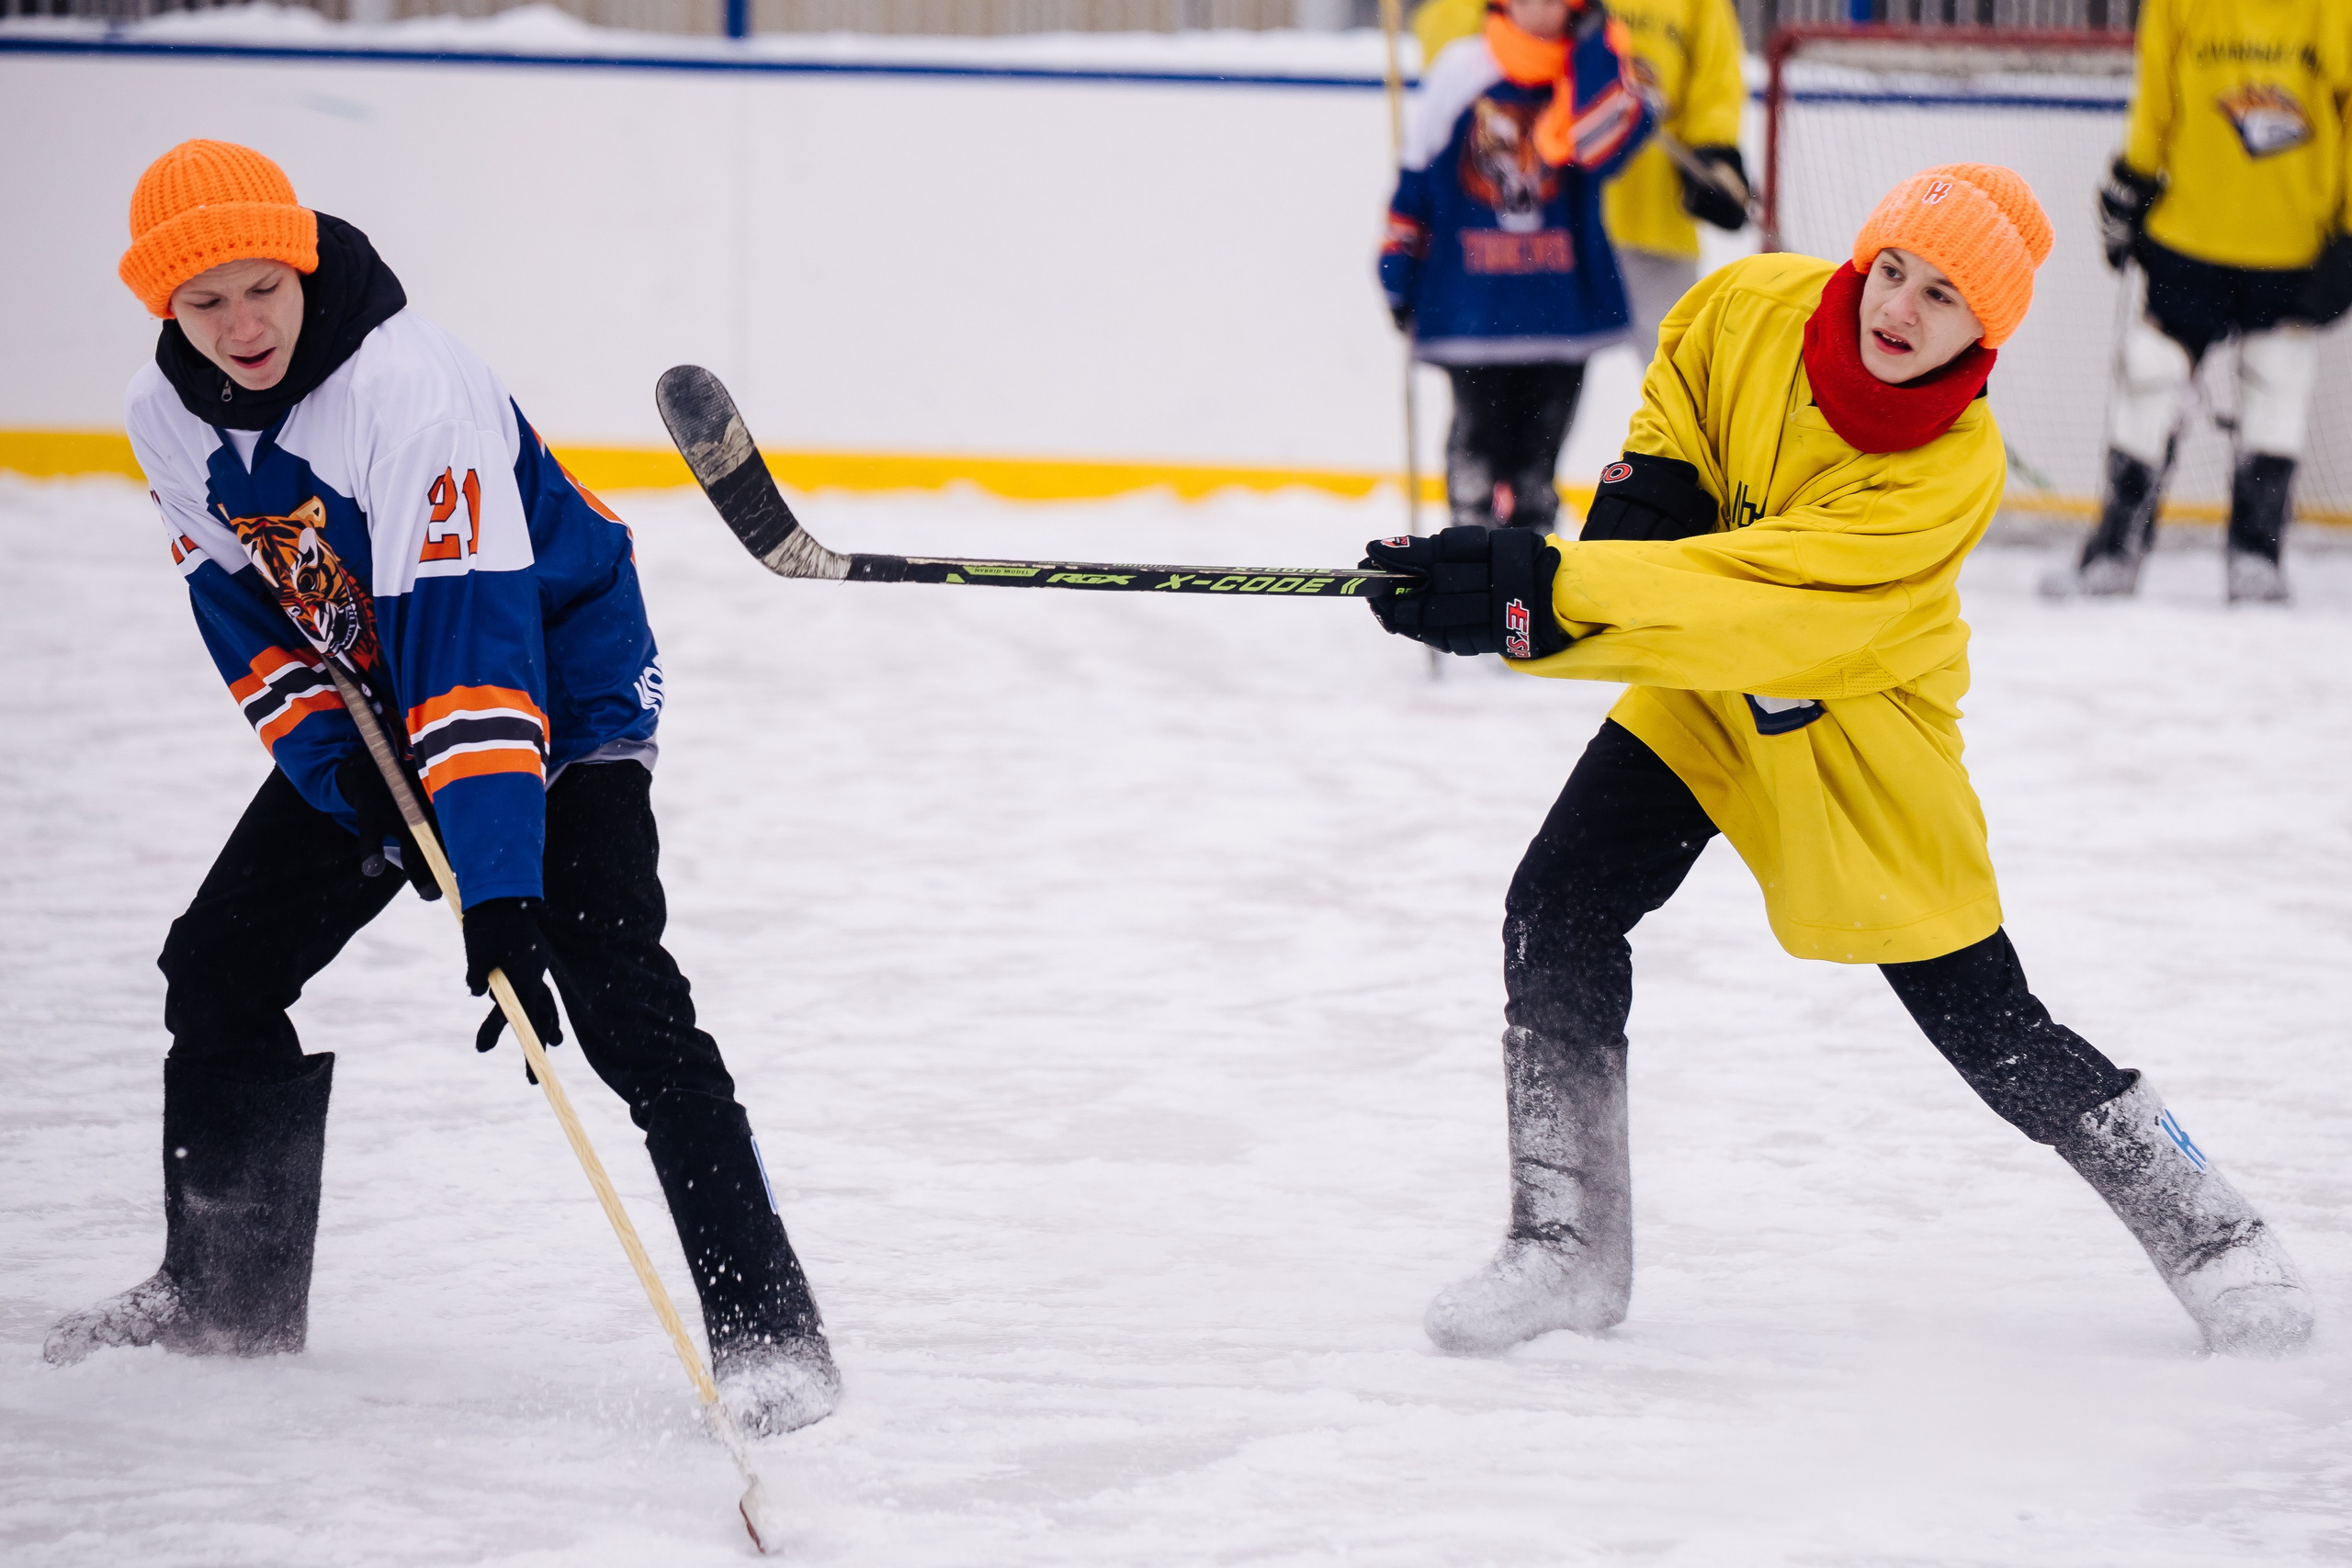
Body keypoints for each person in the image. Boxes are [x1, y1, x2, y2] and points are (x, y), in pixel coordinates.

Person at [1359, 164, 2313, 1359]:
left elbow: (1770, 605)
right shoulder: (1754, 303)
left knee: (1992, 1028)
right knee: (1556, 904)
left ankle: (2217, 1234)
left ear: (1984, 334)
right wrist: (1652, 489)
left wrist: (1547, 594)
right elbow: (1687, 375)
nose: (1897, 307)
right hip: (1704, 691)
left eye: (1943, 297)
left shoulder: (1947, 472)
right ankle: (1565, 1246)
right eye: (1891, 269)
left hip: (1856, 731)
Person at [43, 141, 840, 1436]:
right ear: (163, 306)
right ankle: (223, 1300)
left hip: (555, 685)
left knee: (621, 1003)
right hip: (382, 688)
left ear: (301, 264)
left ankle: (771, 1336)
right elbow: (247, 619)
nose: (241, 325)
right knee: (221, 966)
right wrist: (347, 779)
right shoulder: (164, 414)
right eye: (204, 302)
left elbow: (479, 653)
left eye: (262, 287)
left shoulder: (408, 391)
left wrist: (500, 894)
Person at [2046, 0, 2352, 604]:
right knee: (2150, 377)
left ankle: (2256, 559)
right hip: (2188, 235)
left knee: (2278, 384)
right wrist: (2134, 180)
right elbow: (2156, 98)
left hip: (2293, 241)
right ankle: (2115, 551)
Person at [1381, 0, 1653, 536]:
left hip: (1559, 312)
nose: (1540, 8)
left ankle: (1529, 562)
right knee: (1477, 453)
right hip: (1474, 310)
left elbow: (1606, 149)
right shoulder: (1464, 68)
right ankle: (1467, 553)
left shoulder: (1595, 69)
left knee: (1537, 468)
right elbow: (1417, 179)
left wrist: (1594, 47)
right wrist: (1398, 271)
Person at [1412, 0, 1752, 361]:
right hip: (1546, 227)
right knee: (1530, 380)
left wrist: (1714, 151)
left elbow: (1715, 77)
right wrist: (1530, 41)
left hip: (1651, 216)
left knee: (1687, 374)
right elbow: (1446, 42)